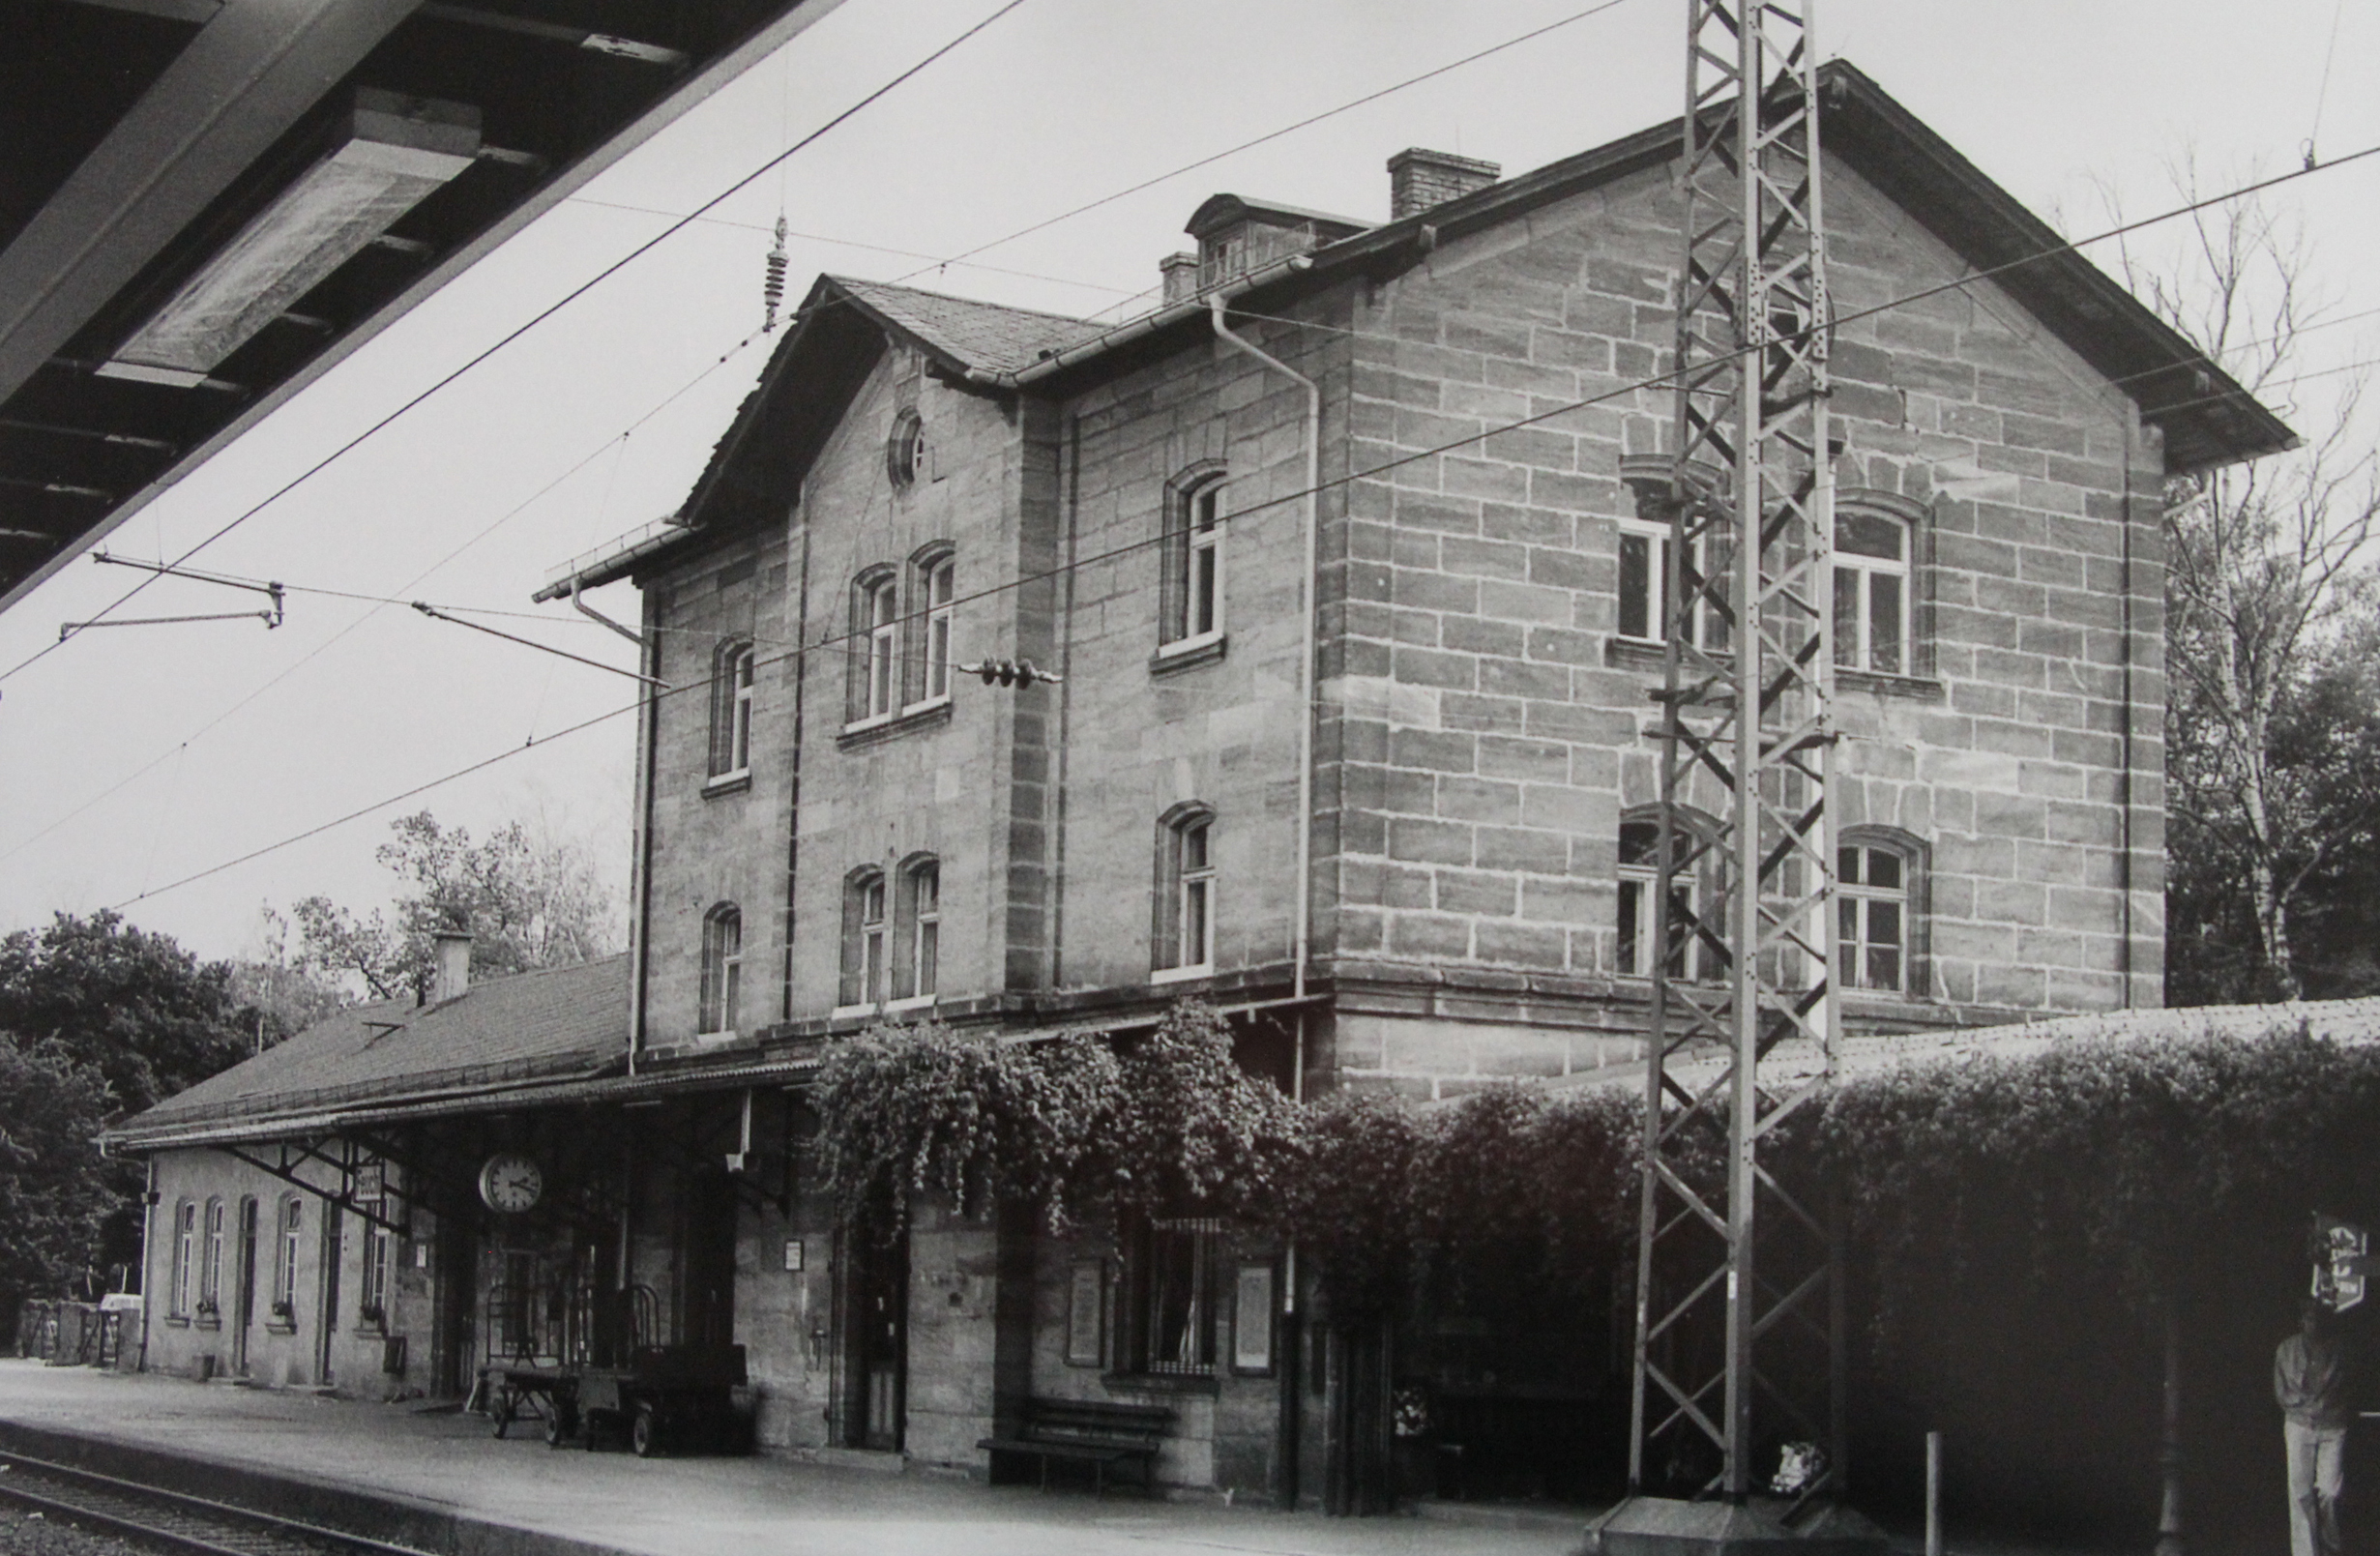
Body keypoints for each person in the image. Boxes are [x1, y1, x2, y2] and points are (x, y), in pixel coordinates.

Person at [2276, 1299, 2353, 1556]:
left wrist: (2324, 1407)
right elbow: (2282, 1392)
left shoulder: (2339, 1350)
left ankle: (2331, 1549)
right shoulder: (2286, 1349)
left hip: (2332, 1426)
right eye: (2310, 1318)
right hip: (2299, 1425)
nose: (2315, 1324)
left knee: (2330, 1492)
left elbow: (2346, 1389)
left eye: (2320, 1319)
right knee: (2300, 1495)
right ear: (2302, 1321)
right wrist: (2304, 1407)